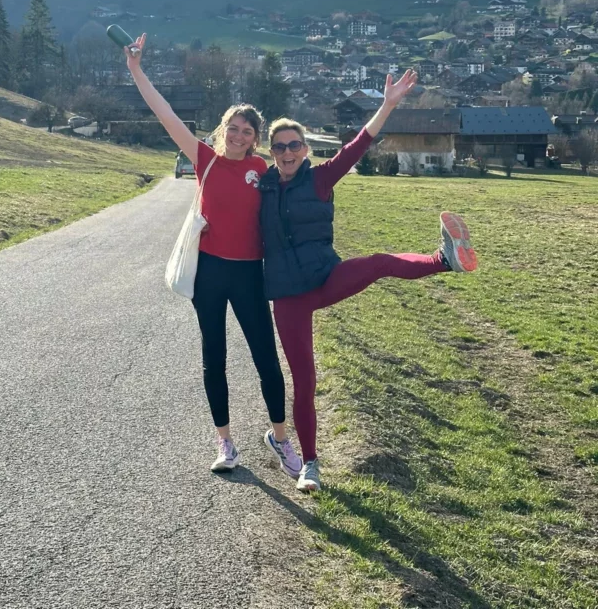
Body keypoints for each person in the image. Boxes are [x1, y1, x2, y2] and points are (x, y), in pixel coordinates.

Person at [259, 71, 478, 493]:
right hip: (287, 297)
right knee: (305, 381)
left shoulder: (320, 177)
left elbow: (358, 144)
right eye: (280, 146)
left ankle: (444, 259)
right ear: (272, 152)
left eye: (295, 145)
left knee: (377, 262)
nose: (287, 152)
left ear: (305, 150)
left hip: (325, 278)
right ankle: (309, 465)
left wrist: (389, 103)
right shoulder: (263, 185)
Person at [125, 34, 302, 477]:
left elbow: (297, 190)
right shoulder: (202, 158)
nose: (240, 136)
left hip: (249, 275)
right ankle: (225, 442)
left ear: (255, 138)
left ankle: (281, 439)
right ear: (223, 129)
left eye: (248, 131)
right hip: (209, 273)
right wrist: (136, 70)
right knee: (214, 357)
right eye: (234, 128)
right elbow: (165, 114)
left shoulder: (261, 168)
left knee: (266, 356)